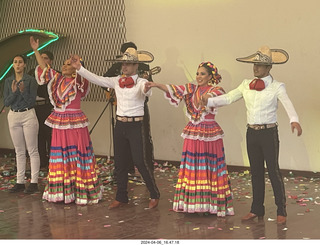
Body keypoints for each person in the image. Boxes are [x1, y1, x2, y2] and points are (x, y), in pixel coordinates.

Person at [201, 46, 303, 224]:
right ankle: (257, 209)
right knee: (255, 172)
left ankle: (281, 209)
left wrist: (294, 119)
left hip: (269, 132)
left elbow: (287, 103)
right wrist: (209, 100)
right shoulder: (245, 84)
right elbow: (229, 97)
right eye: (254, 64)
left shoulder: (277, 86)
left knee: (273, 171)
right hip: (252, 133)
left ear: (269, 68)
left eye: (260, 65)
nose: (255, 68)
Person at [70, 47, 160, 209]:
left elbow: (146, 92)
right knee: (119, 163)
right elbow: (97, 79)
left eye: (128, 64)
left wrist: (146, 88)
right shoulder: (116, 80)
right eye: (123, 64)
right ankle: (121, 197)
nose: (124, 67)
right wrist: (79, 68)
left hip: (136, 125)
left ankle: (154, 194)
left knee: (140, 161)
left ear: (136, 66)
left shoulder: (141, 82)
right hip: (120, 125)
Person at [146, 61, 234, 217]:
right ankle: (195, 203)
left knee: (209, 166)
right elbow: (174, 89)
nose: (199, 77)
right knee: (193, 166)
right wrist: (155, 84)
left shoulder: (216, 89)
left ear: (210, 76)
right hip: (193, 132)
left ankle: (210, 203)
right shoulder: (191, 89)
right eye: (198, 73)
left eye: (203, 74)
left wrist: (207, 97)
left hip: (209, 133)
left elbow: (217, 96)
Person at [30, 36, 103, 205]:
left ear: (76, 68)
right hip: (59, 121)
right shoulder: (57, 80)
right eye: (63, 63)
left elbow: (84, 77)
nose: (64, 66)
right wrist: (36, 50)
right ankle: (63, 192)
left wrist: (78, 65)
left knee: (76, 155)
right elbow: (44, 67)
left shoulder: (80, 81)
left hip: (75, 122)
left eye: (68, 64)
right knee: (60, 156)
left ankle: (80, 190)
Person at [103, 42, 155, 175]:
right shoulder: (116, 66)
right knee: (122, 141)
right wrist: (113, 90)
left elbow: (148, 85)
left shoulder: (144, 66)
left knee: (144, 139)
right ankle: (126, 168)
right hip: (122, 108)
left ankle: (148, 169)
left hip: (140, 107)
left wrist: (145, 83)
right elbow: (104, 80)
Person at [3, 54, 40, 194]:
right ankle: (20, 182)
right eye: (15, 62)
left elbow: (31, 101)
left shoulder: (30, 80)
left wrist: (23, 91)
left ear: (25, 64)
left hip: (28, 114)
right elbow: (6, 102)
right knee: (19, 150)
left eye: (20, 62)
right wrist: (13, 93)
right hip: (13, 115)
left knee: (32, 150)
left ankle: (34, 182)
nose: (18, 64)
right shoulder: (8, 81)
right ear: (13, 65)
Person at [29, 51, 54, 170]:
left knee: (49, 135)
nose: (43, 60)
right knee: (37, 135)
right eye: (41, 58)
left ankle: (52, 162)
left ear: (51, 61)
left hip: (47, 107)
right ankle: (41, 161)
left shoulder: (53, 74)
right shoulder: (31, 73)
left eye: (46, 58)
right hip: (33, 108)